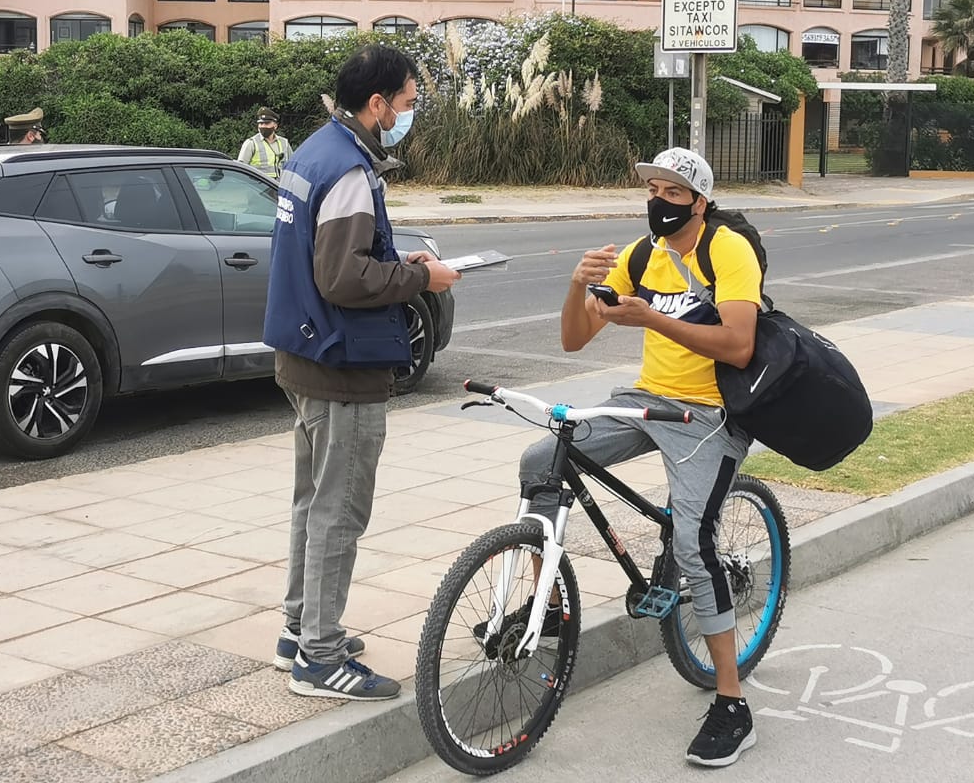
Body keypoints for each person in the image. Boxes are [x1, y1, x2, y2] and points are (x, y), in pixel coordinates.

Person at [520, 146, 761, 768]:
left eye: (674, 192)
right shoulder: (640, 254)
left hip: (710, 412)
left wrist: (652, 315)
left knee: (693, 545)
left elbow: (737, 345)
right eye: (652, 188)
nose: (659, 200)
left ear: (700, 202)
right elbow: (576, 338)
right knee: (543, 457)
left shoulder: (728, 249)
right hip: (647, 398)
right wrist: (577, 287)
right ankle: (547, 604)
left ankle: (731, 703)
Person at [263, 44, 461, 702]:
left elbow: (329, 254)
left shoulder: (313, 150)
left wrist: (387, 255)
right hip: (341, 366)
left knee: (310, 502)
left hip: (303, 354)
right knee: (338, 512)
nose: (407, 114)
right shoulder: (349, 168)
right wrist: (418, 277)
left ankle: (300, 628)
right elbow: (342, 277)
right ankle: (318, 659)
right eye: (405, 103)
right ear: (377, 104)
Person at [238, 106, 292, 179]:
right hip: (258, 187)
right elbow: (240, 168)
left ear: (275, 126)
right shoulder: (251, 143)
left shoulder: (284, 143)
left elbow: (292, 165)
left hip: (279, 186)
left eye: (266, 123)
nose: (263, 126)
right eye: (261, 123)